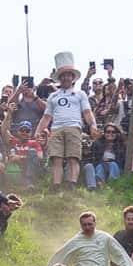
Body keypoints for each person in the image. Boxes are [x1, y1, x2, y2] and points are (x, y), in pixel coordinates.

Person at [34, 52, 98, 189]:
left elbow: (87, 112)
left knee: (73, 157)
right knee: (56, 158)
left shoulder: (80, 94)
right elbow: (47, 116)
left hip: (74, 127)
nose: (66, 78)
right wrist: (38, 131)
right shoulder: (53, 96)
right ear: (59, 78)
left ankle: (71, 184)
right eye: (63, 75)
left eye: (68, 75)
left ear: (73, 77)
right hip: (56, 128)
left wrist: (93, 125)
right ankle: (56, 185)